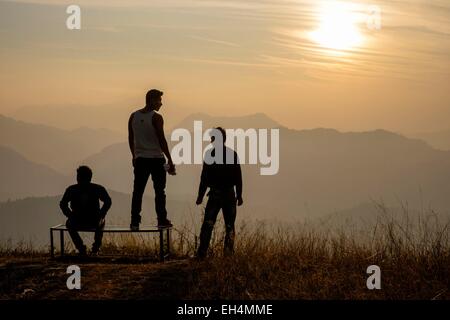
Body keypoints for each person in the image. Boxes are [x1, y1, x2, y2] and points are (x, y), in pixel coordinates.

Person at [129, 89, 176, 230]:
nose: (161, 103)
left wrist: (134, 155)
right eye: (159, 100)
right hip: (156, 159)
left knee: (138, 191)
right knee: (160, 192)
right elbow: (161, 139)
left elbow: (131, 138)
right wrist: (170, 159)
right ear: (151, 100)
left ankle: (134, 222)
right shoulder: (156, 117)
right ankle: (161, 219)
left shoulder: (133, 116)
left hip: (140, 159)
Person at [196, 127, 243, 259]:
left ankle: (202, 253)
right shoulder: (232, 154)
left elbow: (204, 178)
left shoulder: (210, 155)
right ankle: (228, 255)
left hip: (215, 194)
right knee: (229, 226)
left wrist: (200, 195)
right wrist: (239, 195)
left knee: (208, 225)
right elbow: (238, 177)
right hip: (229, 194)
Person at [59, 166, 112, 256]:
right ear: (90, 177)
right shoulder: (97, 188)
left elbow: (63, 204)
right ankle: (95, 249)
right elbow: (108, 201)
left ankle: (81, 248)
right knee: (101, 221)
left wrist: (70, 215)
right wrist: (101, 214)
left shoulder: (72, 189)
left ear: (78, 177)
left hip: (77, 220)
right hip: (93, 220)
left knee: (69, 224)